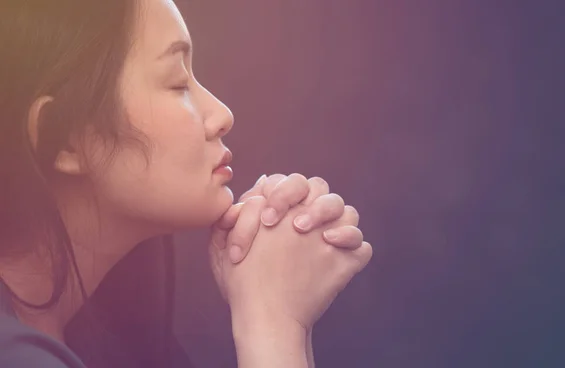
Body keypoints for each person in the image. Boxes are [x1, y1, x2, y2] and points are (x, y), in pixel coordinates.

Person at [0, 0, 373, 367]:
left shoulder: (116, 318)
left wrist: (284, 313)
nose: (222, 115)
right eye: (178, 83)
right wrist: (272, 323)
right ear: (62, 136)